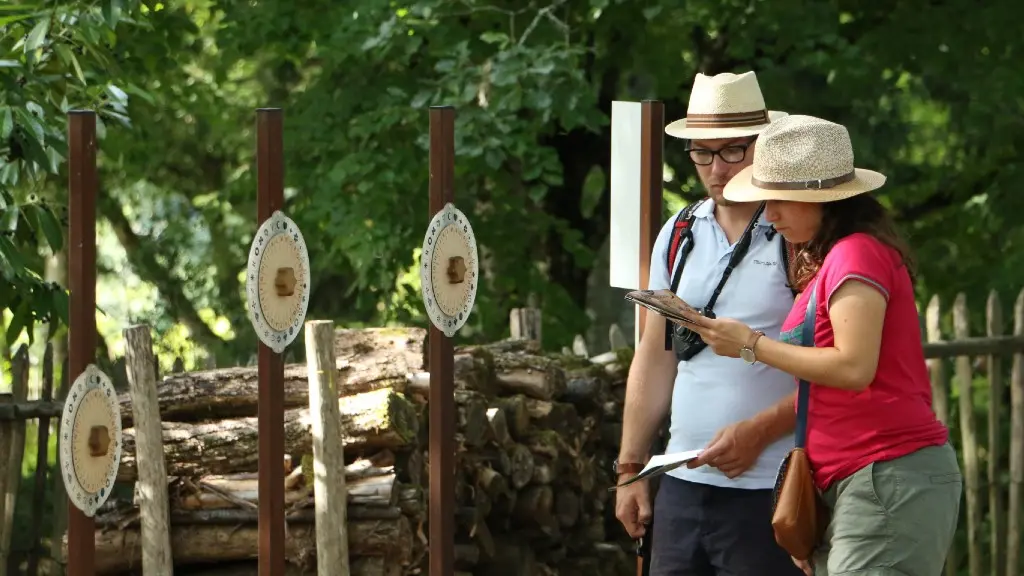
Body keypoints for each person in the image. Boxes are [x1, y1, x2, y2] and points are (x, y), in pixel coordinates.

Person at [676, 114, 962, 576]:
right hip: (858, 480)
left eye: (778, 200)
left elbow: (853, 368)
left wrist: (750, 343)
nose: (769, 215)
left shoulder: (856, 252)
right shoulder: (835, 258)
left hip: (885, 473)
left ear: (819, 198)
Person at [614, 71, 805, 575]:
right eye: (702, 153)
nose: (715, 169)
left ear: (762, 146)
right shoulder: (678, 234)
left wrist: (759, 434)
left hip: (771, 485)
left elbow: (830, 367)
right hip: (681, 482)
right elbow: (656, 354)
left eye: (731, 152)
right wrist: (631, 468)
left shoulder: (795, 232)